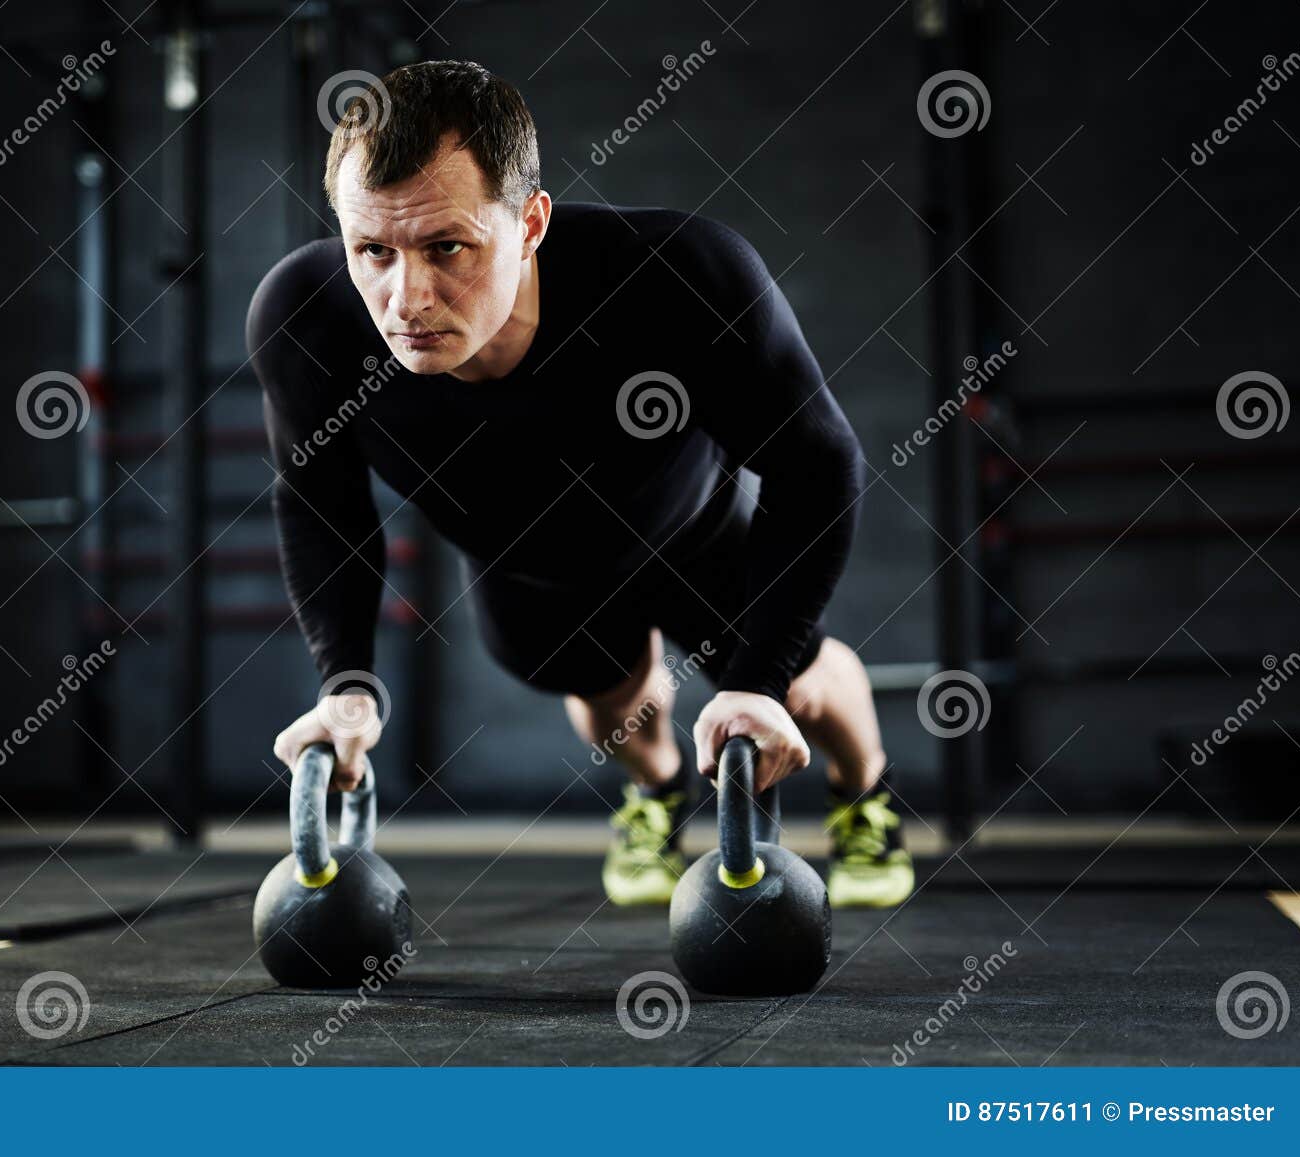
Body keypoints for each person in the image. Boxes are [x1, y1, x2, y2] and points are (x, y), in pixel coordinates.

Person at [249, 60, 912, 910]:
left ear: (529, 223)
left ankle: (868, 800)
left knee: (802, 686)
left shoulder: (679, 274)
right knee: (616, 714)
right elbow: (322, 507)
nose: (404, 296)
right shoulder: (307, 320)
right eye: (371, 250)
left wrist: (757, 679)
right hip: (529, 572)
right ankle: (659, 792)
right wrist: (344, 685)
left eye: (446, 246)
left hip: (694, 534)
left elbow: (817, 464)